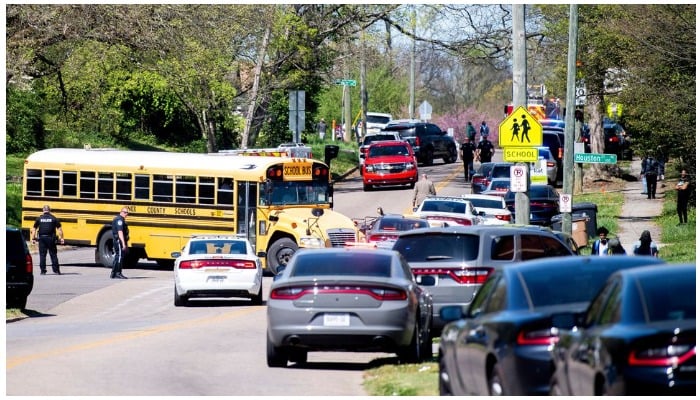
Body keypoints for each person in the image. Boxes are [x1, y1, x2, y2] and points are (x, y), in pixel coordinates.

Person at [31, 205, 64, 275]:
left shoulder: (39, 219)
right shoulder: (54, 218)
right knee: (53, 255)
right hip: (51, 239)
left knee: (42, 255)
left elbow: (34, 229)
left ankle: (43, 271)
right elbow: (59, 229)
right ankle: (56, 270)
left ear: (43, 210)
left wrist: (33, 238)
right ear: (49, 210)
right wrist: (61, 238)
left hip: (42, 239)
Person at [111, 207, 130, 279]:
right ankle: (118, 273)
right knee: (119, 257)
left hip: (118, 240)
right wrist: (123, 243)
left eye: (127, 213)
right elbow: (120, 232)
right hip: (119, 241)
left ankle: (113, 273)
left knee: (117, 256)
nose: (126, 214)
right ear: (121, 212)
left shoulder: (120, 219)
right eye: (125, 212)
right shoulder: (119, 220)